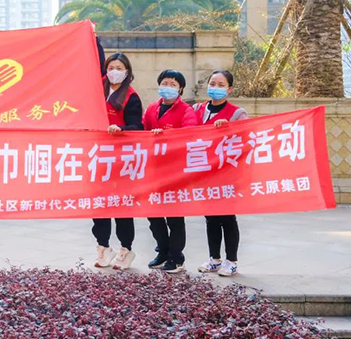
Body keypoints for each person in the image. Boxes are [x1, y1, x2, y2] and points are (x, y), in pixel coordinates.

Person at [143, 69, 198, 274]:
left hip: (175, 171)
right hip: (153, 170)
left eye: (173, 84)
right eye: (165, 83)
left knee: (174, 217)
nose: (168, 87)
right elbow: (141, 131)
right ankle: (163, 251)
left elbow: (190, 134)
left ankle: (176, 257)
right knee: (153, 214)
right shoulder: (151, 108)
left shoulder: (185, 110)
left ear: (180, 89)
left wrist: (166, 135)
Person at [194, 70, 248, 277]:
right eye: (212, 83)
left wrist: (229, 128)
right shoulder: (197, 110)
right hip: (204, 173)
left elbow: (246, 137)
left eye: (221, 84)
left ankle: (231, 261)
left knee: (227, 217)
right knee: (211, 217)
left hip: (227, 175)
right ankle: (214, 259)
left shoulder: (237, 113)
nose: (215, 88)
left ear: (229, 89)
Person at [93, 53, 142, 270]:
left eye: (119, 68)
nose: (114, 72)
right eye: (111, 67)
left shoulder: (131, 97)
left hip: (122, 159)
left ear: (127, 72)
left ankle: (125, 249)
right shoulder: (97, 91)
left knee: (122, 206)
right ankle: (103, 247)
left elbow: (137, 127)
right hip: (98, 157)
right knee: (99, 205)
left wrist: (121, 129)